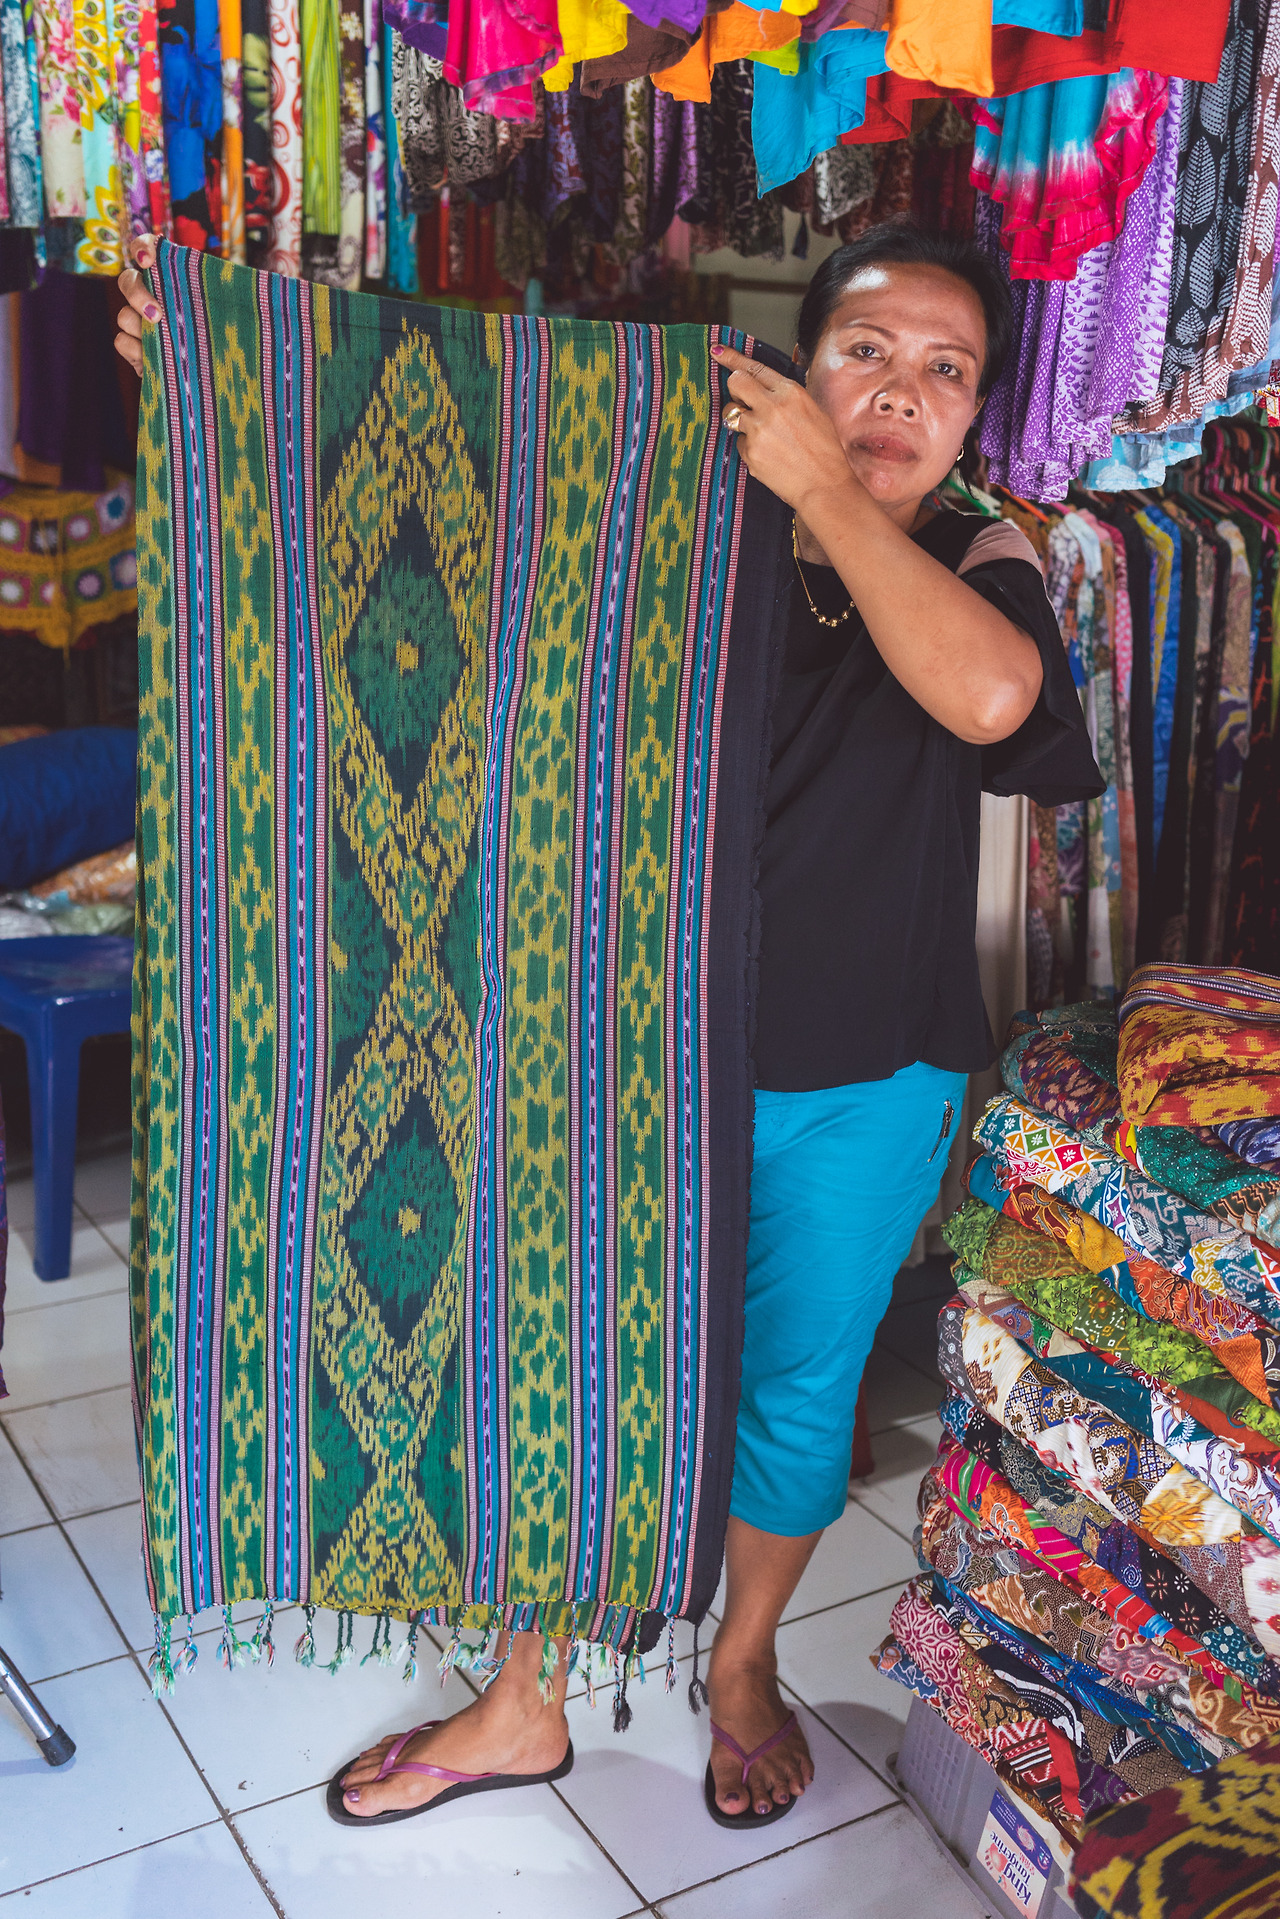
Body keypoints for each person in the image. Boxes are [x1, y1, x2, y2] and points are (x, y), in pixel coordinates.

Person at [114, 223, 1101, 1832]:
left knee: (795, 1393)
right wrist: (234, 391)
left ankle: (742, 1666)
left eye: (945, 371)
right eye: (865, 352)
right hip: (624, 1057)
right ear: (797, 360)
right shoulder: (662, 505)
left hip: (866, 1074)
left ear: (976, 413)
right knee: (575, 1369)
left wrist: (831, 496)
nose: (899, 393)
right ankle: (525, 1703)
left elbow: (993, 704)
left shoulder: (982, 554)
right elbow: (408, 531)